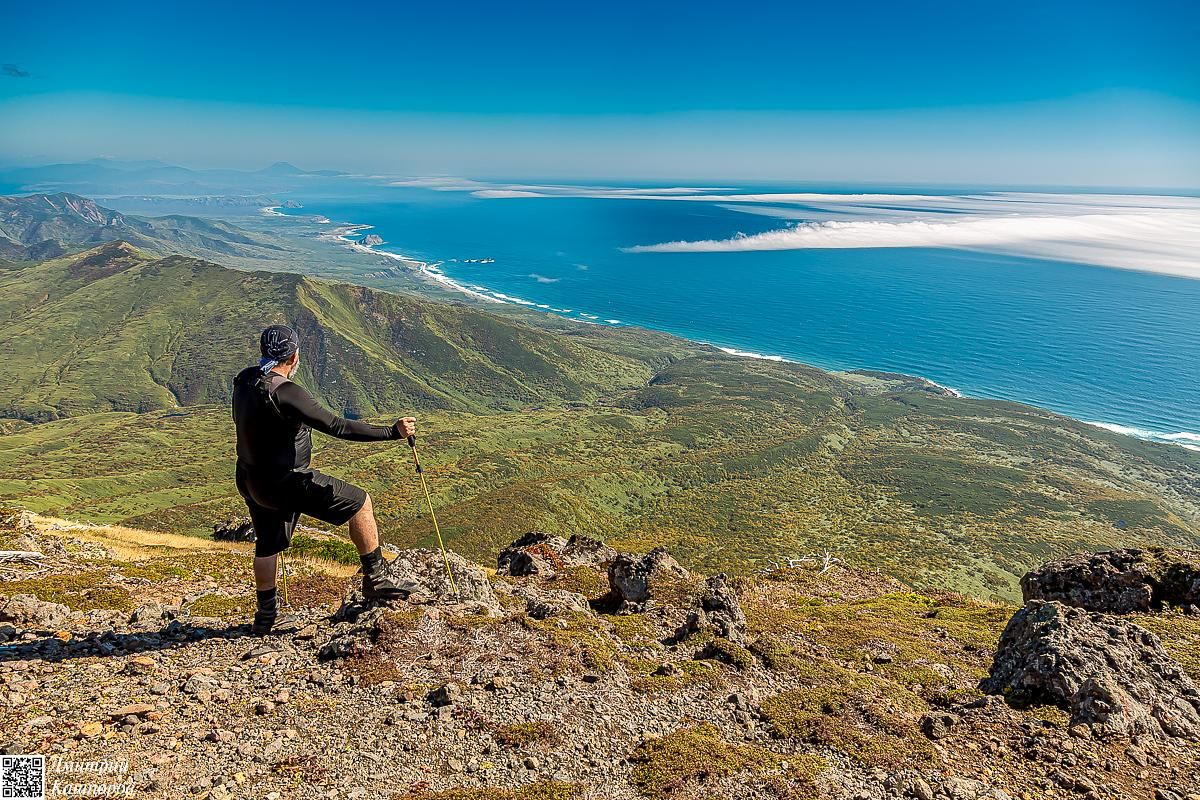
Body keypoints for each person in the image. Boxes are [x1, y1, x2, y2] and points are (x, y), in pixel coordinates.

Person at [232, 324, 416, 634]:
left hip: (251, 478)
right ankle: (376, 577)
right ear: (295, 356)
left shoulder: (244, 380)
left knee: (267, 544)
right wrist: (391, 432)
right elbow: (338, 426)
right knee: (360, 503)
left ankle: (266, 617)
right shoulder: (286, 392)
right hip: (286, 482)